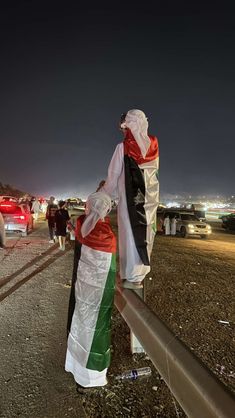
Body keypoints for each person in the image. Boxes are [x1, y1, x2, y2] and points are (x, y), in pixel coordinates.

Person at [101, 109, 159, 289]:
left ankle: (131, 274)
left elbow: (112, 177)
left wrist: (101, 197)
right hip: (150, 199)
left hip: (130, 199)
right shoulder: (154, 145)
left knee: (131, 233)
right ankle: (139, 273)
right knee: (146, 231)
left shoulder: (123, 148)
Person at [65, 191, 116, 392]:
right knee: (97, 330)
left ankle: (76, 367)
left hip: (82, 290)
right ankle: (92, 378)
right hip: (100, 292)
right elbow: (111, 266)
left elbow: (80, 228)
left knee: (80, 324)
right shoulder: (106, 233)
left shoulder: (83, 226)